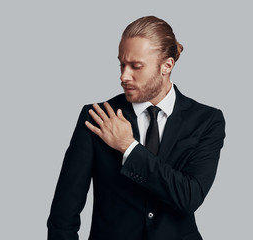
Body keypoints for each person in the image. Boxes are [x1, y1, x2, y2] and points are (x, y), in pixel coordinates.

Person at [47, 16, 225, 240]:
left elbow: (189, 197)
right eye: (122, 64)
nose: (124, 76)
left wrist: (128, 147)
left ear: (167, 66)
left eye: (136, 66)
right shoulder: (98, 116)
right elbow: (63, 216)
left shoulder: (207, 120)